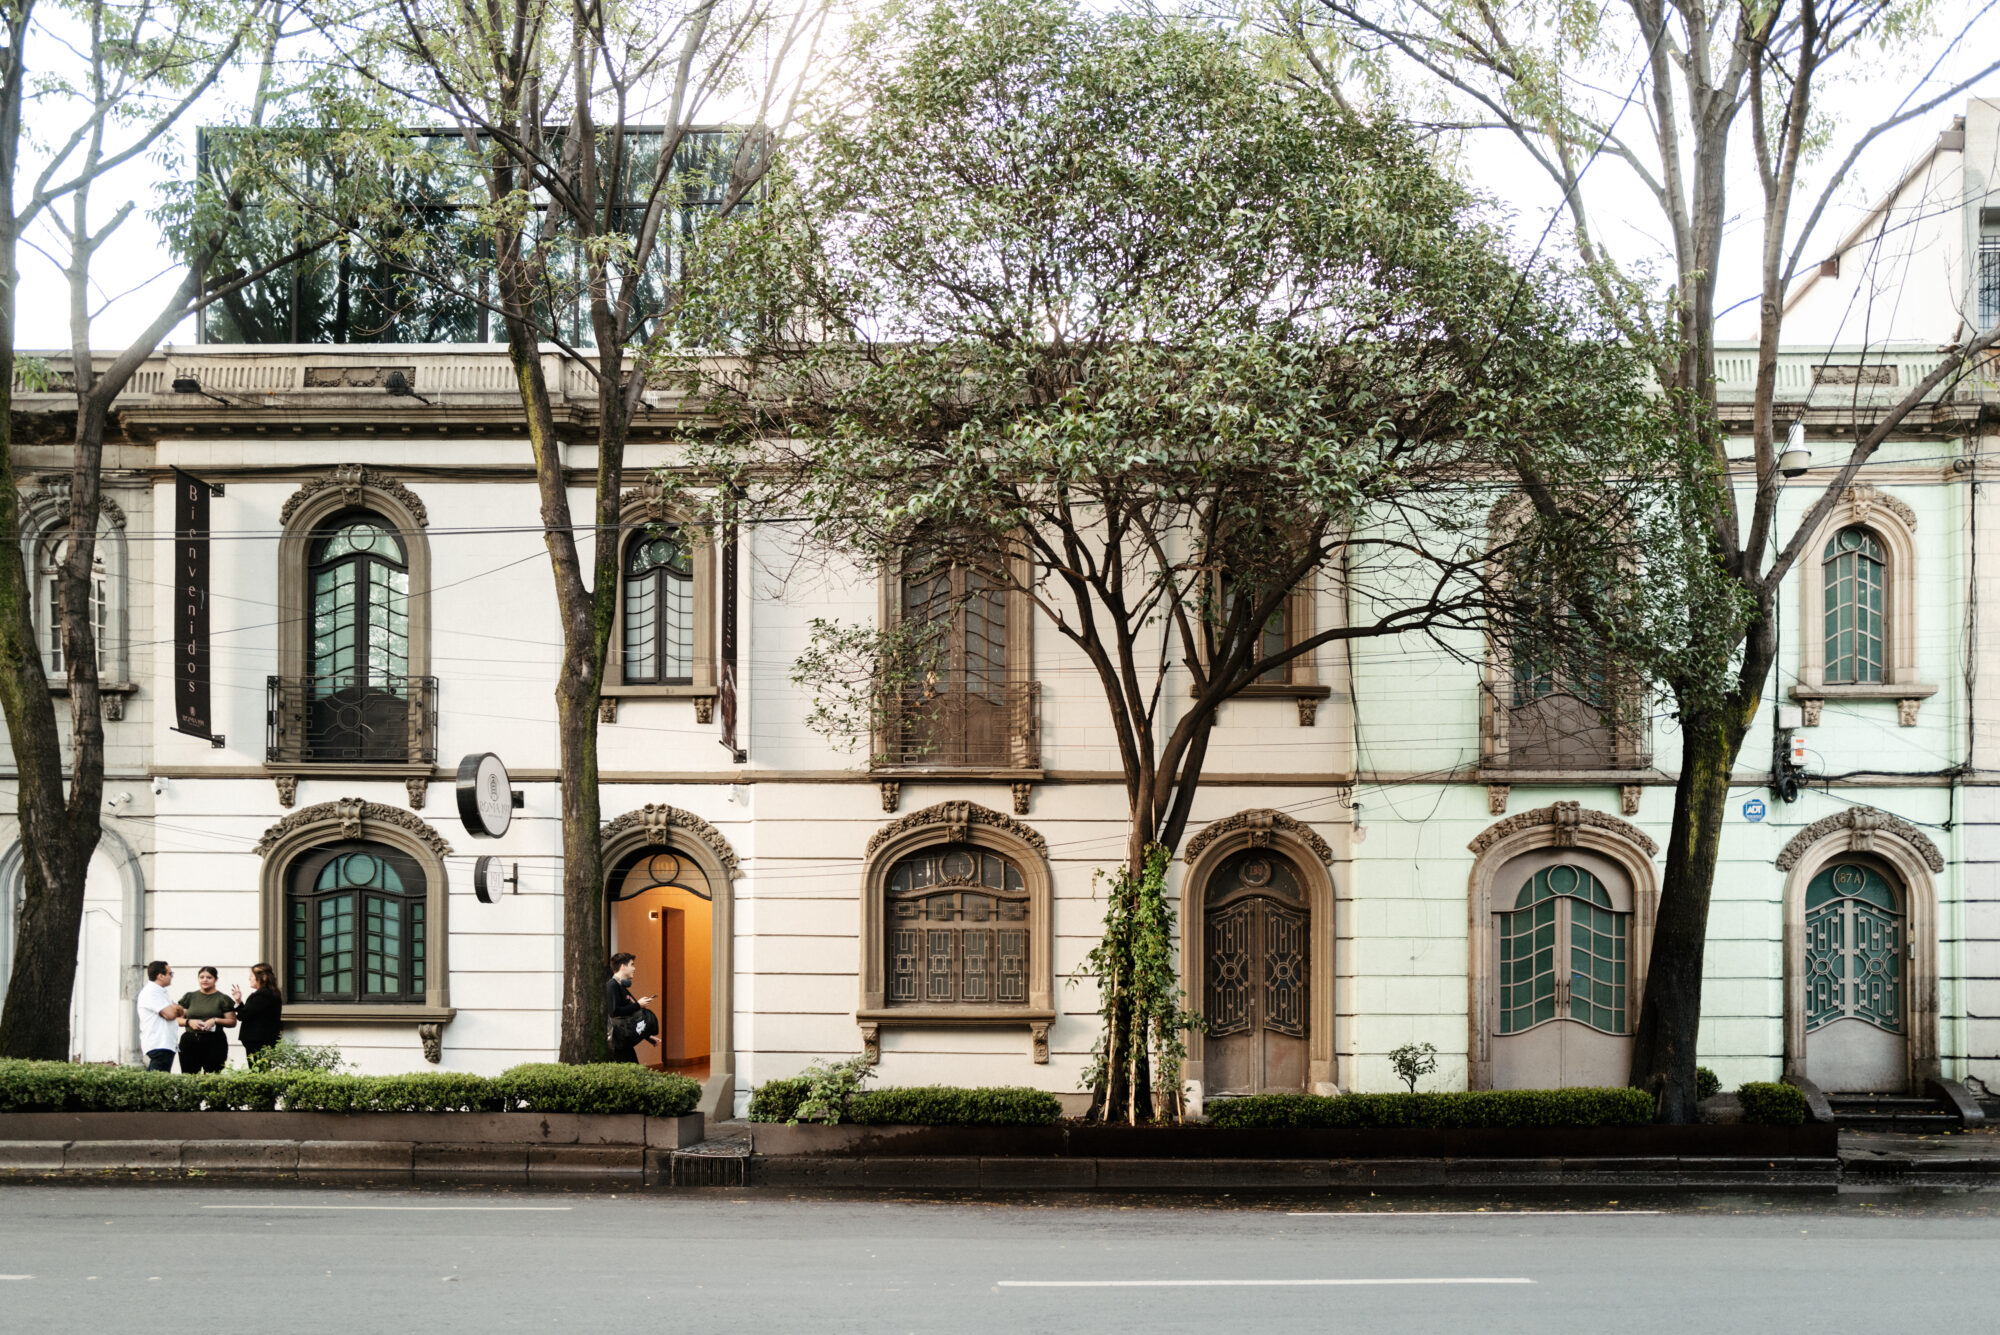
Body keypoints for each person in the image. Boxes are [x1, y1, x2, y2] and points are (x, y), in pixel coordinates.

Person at [176, 965, 236, 1074]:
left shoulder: (222, 998)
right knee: (189, 1076)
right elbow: (177, 1019)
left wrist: (215, 1020)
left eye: (209, 977)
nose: (205, 980)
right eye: (202, 977)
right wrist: (188, 1022)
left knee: (212, 1076)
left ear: (215, 979)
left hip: (215, 1041)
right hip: (190, 1040)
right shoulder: (189, 997)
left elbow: (232, 1021)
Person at [605, 952, 657, 1064]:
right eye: (632, 964)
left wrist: (648, 1037)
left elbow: (631, 1016)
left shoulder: (621, 986)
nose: (634, 968)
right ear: (623, 967)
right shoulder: (612, 985)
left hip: (623, 1041)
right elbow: (614, 1011)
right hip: (617, 1043)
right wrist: (638, 1004)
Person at [136, 961, 186, 1072]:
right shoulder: (151, 992)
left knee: (156, 1080)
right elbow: (170, 1014)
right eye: (170, 974)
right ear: (160, 976)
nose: (171, 977)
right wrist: (176, 1009)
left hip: (164, 1043)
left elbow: (179, 1011)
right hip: (159, 1043)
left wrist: (176, 1009)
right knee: (157, 1082)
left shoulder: (161, 992)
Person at [231, 963, 284, 1066]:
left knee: (257, 1069)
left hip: (257, 1040)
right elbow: (250, 1012)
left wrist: (238, 1003)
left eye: (251, 976)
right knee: (261, 1068)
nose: (249, 979)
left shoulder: (262, 994)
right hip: (263, 1039)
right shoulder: (271, 992)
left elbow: (243, 1015)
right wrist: (239, 1001)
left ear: (262, 977)